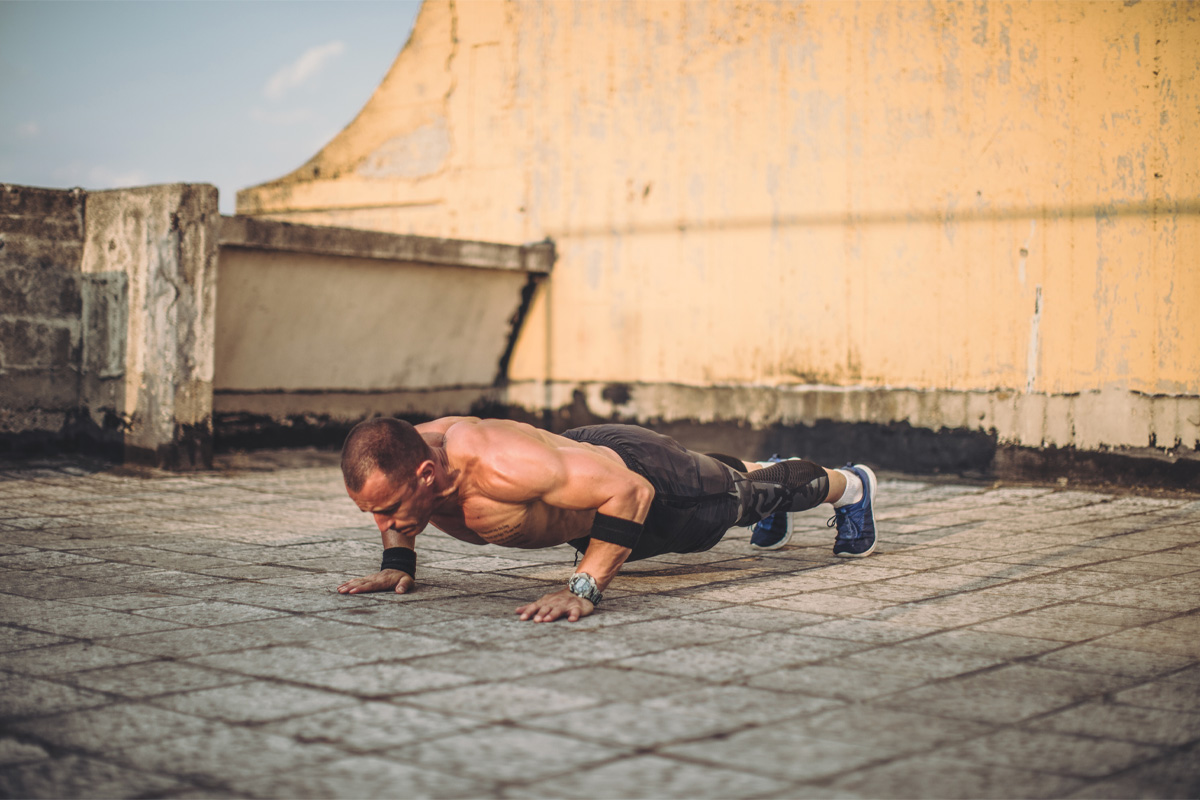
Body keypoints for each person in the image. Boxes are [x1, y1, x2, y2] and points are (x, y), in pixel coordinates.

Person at [337, 416, 878, 622]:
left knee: (744, 499)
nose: (383, 518)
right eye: (373, 511)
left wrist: (584, 587)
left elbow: (631, 491)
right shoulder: (404, 458)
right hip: (585, 469)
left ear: (429, 474)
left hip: (648, 482)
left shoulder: (501, 465)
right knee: (733, 479)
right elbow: (390, 506)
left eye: (386, 510)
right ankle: (763, 474)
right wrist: (396, 560)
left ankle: (850, 485)